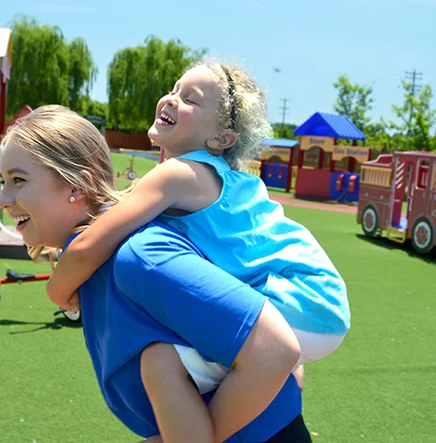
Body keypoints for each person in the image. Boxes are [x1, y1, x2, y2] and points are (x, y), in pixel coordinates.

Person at [45, 62, 350, 439]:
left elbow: (91, 244)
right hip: (319, 303)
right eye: (173, 89)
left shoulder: (179, 174)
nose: (171, 99)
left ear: (222, 138)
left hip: (299, 298)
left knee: (161, 361)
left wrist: (59, 291)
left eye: (190, 99)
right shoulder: (212, 178)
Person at [0, 104, 312, 442]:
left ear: (77, 185)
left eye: (18, 180)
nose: (3, 198)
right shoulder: (98, 267)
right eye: (3, 181)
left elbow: (275, 349)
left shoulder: (137, 257)